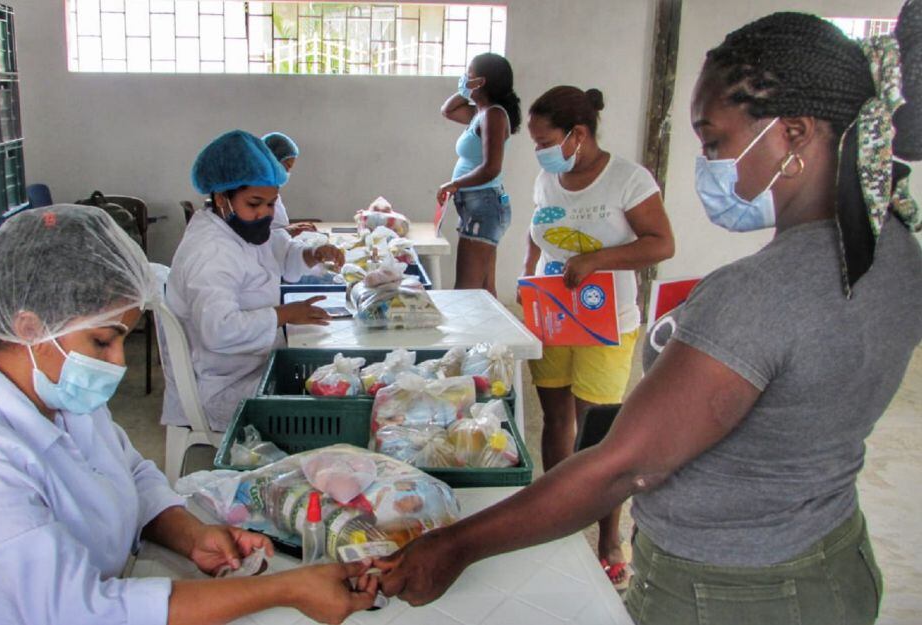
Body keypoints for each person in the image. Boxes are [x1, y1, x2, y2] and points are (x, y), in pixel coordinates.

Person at [376, 4, 922, 624]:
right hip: (829, 555)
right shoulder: (895, 249)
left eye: (715, 140)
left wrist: (454, 545)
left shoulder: (759, 295)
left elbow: (625, 465)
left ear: (792, 133)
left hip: (731, 591)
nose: (707, 162)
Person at [0, 205, 378, 625]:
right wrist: (285, 590)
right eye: (103, 340)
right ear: (28, 325)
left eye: (123, 338)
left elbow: (132, 477)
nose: (117, 362)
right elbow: (80, 612)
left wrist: (193, 535)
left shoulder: (56, 398)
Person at [521, 85, 675, 587]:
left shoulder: (628, 179)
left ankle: (611, 536)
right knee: (555, 415)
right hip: (552, 313)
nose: (538, 150)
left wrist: (597, 261)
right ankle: (556, 514)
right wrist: (528, 281)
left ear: (577, 134)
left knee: (600, 429)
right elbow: (536, 230)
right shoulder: (548, 176)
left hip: (606, 320)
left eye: (544, 139)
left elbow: (661, 244)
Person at [162, 130, 345, 432]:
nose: (265, 213)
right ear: (222, 198)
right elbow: (219, 331)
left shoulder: (239, 228)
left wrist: (312, 254)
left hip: (247, 366)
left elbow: (280, 254)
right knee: (327, 410)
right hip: (220, 388)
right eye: (255, 203)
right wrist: (285, 314)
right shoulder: (211, 251)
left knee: (334, 381)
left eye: (272, 204)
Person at [437, 52, 521, 295]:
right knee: (484, 289)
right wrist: (465, 91)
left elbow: (491, 167)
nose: (464, 77)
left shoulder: (494, 115)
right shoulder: (479, 113)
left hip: (484, 204)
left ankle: (471, 334)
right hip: (477, 204)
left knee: (467, 291)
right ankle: (491, 334)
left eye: (469, 74)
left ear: (481, 82)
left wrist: (454, 184)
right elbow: (447, 110)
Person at [261, 131, 316, 237]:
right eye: (286, 166)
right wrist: (287, 232)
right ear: (273, 161)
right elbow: (253, 239)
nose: (286, 173)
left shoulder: (271, 188)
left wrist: (292, 229)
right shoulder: (254, 191)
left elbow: (276, 226)